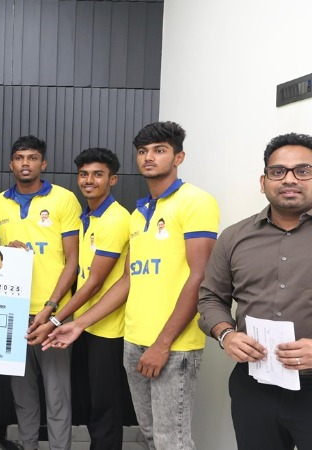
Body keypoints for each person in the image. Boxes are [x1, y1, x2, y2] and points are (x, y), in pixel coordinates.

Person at [44, 122, 219, 450]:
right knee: (151, 435)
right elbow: (128, 280)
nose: (149, 157)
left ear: (179, 157)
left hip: (173, 344)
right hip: (134, 340)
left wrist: (163, 344)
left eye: (159, 150)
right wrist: (78, 324)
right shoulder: (139, 215)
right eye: (142, 151)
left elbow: (201, 278)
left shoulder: (195, 201)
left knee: (171, 442)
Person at [197, 133, 312, 450]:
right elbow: (211, 298)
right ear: (263, 181)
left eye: (303, 170)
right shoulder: (234, 236)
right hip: (255, 388)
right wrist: (226, 334)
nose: (289, 179)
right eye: (278, 171)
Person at [29, 147, 130, 450]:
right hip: (85, 324)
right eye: (84, 174)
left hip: (107, 328)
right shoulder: (87, 216)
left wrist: (55, 319)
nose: (89, 180)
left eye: (98, 174)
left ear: (113, 179)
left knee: (105, 407)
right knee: (91, 403)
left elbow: (95, 283)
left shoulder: (115, 219)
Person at [0, 135, 81, 450]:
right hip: (13, 313)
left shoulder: (64, 199)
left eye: (32, 157)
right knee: (22, 393)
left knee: (57, 393)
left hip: (54, 315)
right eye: (20, 158)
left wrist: (52, 307)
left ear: (44, 163)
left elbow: (73, 261)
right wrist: (6, 253)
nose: (25, 163)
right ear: (11, 164)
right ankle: (28, 445)